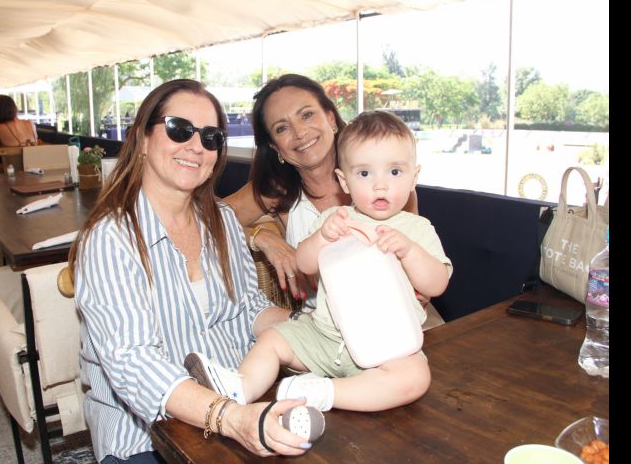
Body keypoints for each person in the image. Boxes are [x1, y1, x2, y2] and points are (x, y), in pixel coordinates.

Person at [68, 79, 312, 462]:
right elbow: (134, 362)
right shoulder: (110, 238)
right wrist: (229, 418)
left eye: (211, 137)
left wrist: (312, 331)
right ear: (142, 139)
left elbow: (247, 308)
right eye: (179, 129)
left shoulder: (223, 220)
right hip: (146, 436)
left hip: (236, 400)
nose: (197, 146)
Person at [189, 110, 452, 413]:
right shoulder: (334, 219)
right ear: (344, 181)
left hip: (388, 347)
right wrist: (321, 238)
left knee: (414, 378)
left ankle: (323, 392)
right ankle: (239, 388)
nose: (380, 185)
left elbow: (437, 284)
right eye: (364, 174)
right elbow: (304, 263)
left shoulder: (417, 229)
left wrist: (410, 252)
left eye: (394, 172)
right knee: (272, 339)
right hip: (324, 336)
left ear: (414, 177)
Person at [223, 74, 443, 329]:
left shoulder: (387, 188)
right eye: (282, 128)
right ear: (275, 146)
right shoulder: (276, 190)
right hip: (325, 328)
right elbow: (203, 217)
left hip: (402, 318)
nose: (300, 132)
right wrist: (263, 238)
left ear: (330, 118)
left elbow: (421, 268)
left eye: (307, 115)